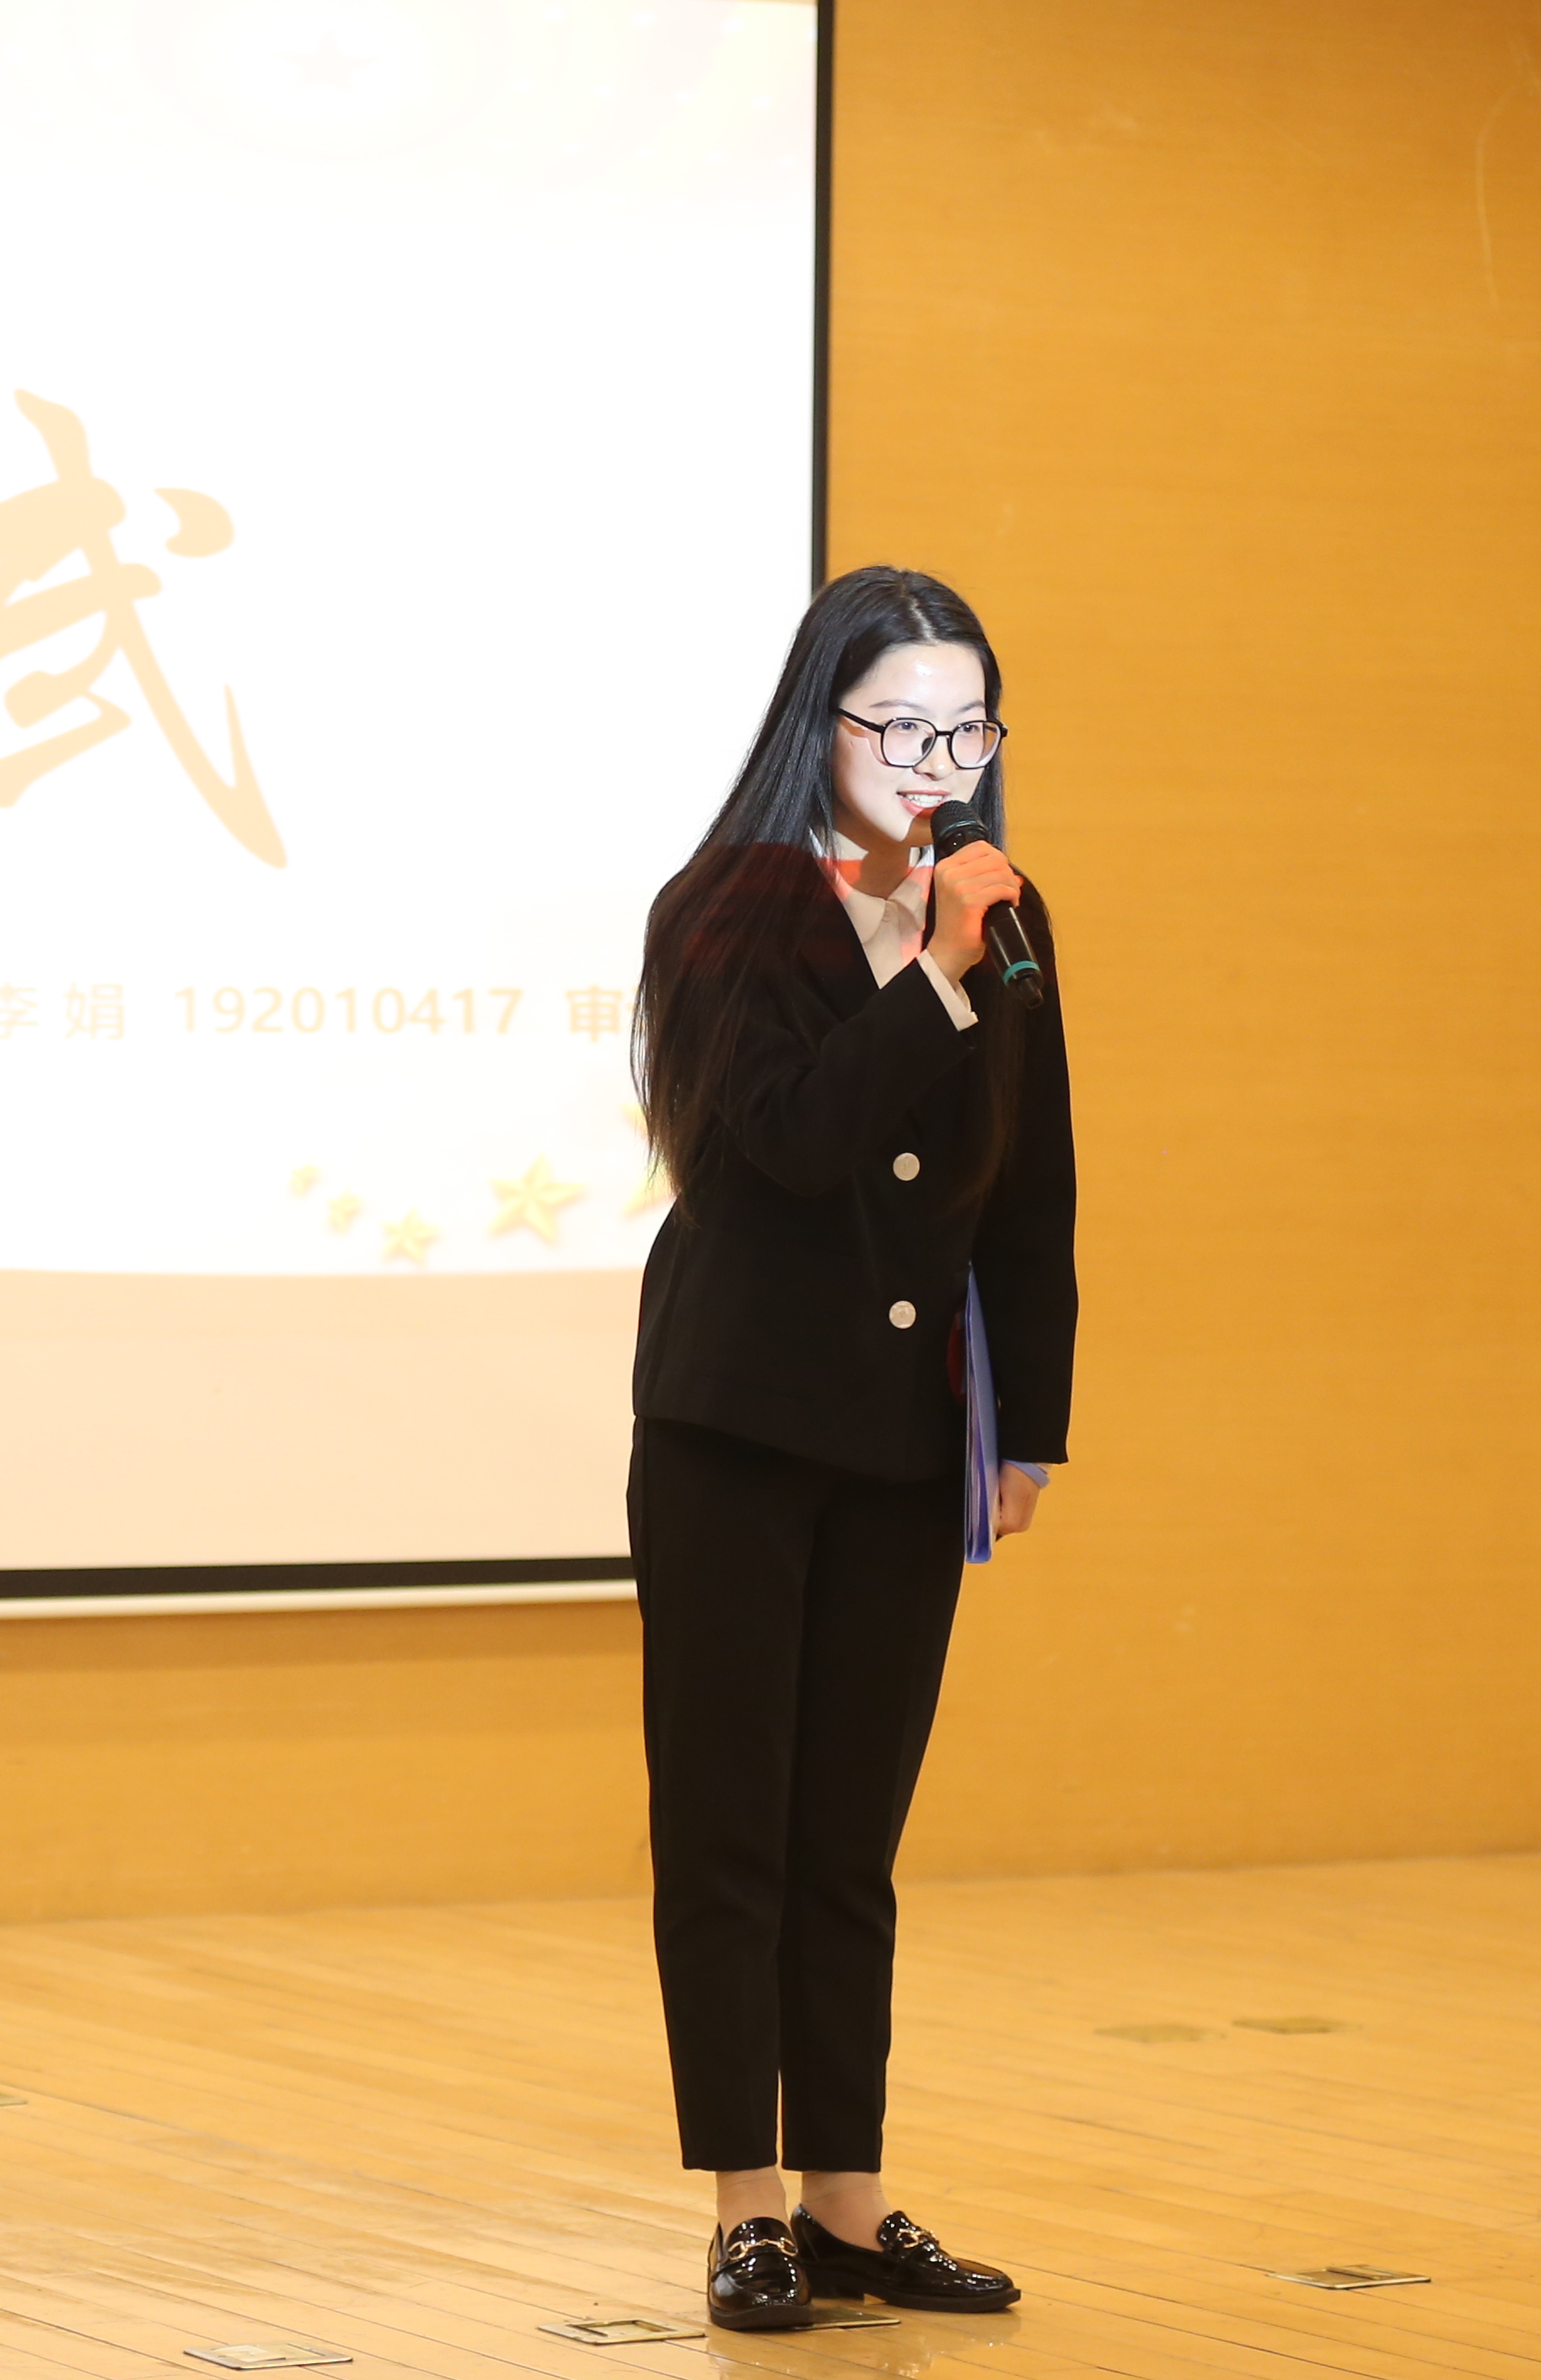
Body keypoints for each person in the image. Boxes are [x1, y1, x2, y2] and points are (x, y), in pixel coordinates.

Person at [625, 564, 1075, 2332]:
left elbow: (1033, 1188)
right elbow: (796, 1143)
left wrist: (1032, 1431)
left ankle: (848, 2203)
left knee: (851, 1836)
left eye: (965, 728)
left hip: (908, 1437)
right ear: (821, 725)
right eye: (900, 725)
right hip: (734, 1427)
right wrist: (937, 977)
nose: (934, 761)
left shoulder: (1007, 916)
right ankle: (743, 2204)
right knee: (731, 1827)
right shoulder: (724, 909)